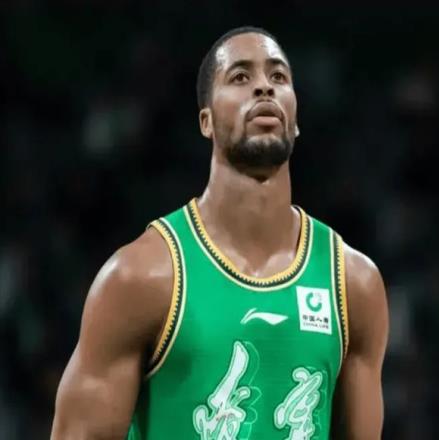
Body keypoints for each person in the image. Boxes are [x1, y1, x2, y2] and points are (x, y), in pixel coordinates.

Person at [51, 26, 389, 440]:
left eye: (278, 76)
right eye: (240, 77)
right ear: (206, 121)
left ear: (296, 120)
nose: (264, 87)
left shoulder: (353, 284)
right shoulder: (140, 277)